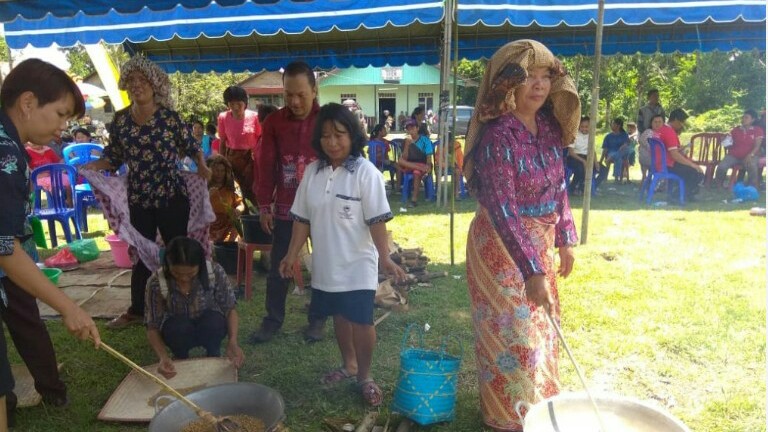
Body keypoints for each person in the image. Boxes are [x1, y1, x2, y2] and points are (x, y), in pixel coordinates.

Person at [462, 40, 579, 432]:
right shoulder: (499, 137)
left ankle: (538, 411)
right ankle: (506, 418)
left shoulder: (548, 127)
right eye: (529, 75)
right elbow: (503, 209)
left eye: (546, 76)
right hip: (499, 248)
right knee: (514, 334)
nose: (540, 84)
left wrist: (565, 237)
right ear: (507, 83)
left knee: (542, 327)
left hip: (539, 245)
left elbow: (559, 185)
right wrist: (532, 271)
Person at [278, 103, 406, 406]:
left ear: (353, 135)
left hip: (358, 263)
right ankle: (348, 364)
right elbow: (302, 219)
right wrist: (291, 254)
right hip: (326, 263)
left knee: (361, 320)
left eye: (339, 135)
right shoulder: (312, 172)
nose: (332, 142)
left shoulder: (367, 173)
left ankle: (365, 375)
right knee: (339, 314)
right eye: (325, 136)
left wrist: (385, 258)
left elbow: (377, 221)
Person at [0, 58, 101, 431]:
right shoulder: (6, 152)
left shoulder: (10, 142)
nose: (63, 127)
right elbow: (4, 247)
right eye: (59, 114)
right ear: (28, 102)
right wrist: (68, 308)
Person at [81, 55, 211, 329]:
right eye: (131, 81)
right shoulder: (120, 121)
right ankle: (138, 309)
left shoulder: (170, 118)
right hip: (139, 197)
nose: (136, 85)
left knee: (177, 251)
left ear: (154, 85)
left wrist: (201, 165)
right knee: (140, 252)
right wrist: (94, 165)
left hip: (172, 196)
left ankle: (182, 305)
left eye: (142, 80)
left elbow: (191, 146)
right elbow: (113, 158)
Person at [252, 61, 326, 343]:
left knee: (322, 265)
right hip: (286, 207)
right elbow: (265, 164)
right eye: (288, 95)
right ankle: (272, 320)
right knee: (280, 265)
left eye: (301, 95)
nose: (294, 101)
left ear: (315, 90)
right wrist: (263, 205)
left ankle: (317, 320)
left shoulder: (328, 119)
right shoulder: (274, 123)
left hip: (323, 207)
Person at [145, 237, 244, 380]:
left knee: (214, 322)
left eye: (191, 274)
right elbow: (152, 325)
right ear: (167, 264)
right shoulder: (156, 282)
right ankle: (179, 356)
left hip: (208, 324)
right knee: (177, 328)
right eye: (177, 273)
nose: (184, 279)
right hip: (178, 329)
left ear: (201, 265)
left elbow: (230, 309)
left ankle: (213, 352)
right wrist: (162, 357)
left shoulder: (215, 272)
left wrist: (233, 341)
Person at [217, 86, 261, 207]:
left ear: (245, 103)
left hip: (251, 160)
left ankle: (255, 220)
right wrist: (222, 163)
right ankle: (237, 221)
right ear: (227, 104)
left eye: (239, 104)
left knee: (252, 192)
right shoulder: (223, 117)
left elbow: (260, 139)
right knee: (234, 191)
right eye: (232, 103)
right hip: (231, 160)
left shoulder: (255, 117)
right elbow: (222, 142)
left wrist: (255, 160)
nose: (235, 107)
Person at [655, 108, 704, 201]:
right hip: (667, 166)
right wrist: (692, 164)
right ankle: (677, 196)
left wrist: (681, 151)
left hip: (659, 163)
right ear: (676, 120)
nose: (682, 125)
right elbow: (674, 155)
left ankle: (687, 195)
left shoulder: (661, 129)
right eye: (682, 122)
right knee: (697, 172)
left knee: (692, 170)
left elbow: (670, 150)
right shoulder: (670, 132)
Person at [714, 109, 764, 188]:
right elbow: (728, 146)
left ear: (753, 120)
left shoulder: (758, 130)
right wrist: (724, 141)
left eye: (746, 117)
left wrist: (750, 155)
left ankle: (752, 187)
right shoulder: (735, 130)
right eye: (743, 117)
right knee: (722, 167)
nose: (743, 119)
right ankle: (719, 184)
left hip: (751, 154)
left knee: (752, 165)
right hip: (734, 155)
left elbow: (757, 146)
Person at [207, 155, 244, 243]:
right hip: (208, 224)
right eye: (216, 171)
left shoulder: (233, 185)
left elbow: (240, 204)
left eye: (222, 171)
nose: (219, 174)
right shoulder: (204, 185)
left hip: (227, 224)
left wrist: (238, 210)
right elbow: (196, 206)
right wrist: (208, 195)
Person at [397, 119, 434, 207]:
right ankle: (419, 168)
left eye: (413, 128)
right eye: (409, 129)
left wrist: (427, 166)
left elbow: (428, 158)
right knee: (400, 161)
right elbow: (404, 158)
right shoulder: (406, 141)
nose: (411, 131)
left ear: (417, 128)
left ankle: (414, 200)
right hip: (410, 165)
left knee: (416, 173)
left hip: (423, 164)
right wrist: (407, 145)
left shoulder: (425, 140)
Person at [566, 116, 603, 195]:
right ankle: (574, 187)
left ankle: (590, 188)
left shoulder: (591, 136)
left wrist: (596, 163)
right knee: (580, 168)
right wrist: (583, 161)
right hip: (574, 157)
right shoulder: (574, 135)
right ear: (579, 126)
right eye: (582, 127)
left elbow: (592, 151)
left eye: (586, 127)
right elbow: (571, 152)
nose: (584, 129)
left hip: (587, 157)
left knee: (603, 170)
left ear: (590, 127)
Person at [599, 117, 631, 182]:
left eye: (613, 124)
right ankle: (616, 179)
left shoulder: (624, 135)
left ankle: (613, 157)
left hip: (622, 153)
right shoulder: (608, 136)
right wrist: (601, 160)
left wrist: (623, 146)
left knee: (626, 149)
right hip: (611, 153)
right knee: (618, 158)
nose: (611, 125)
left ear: (618, 125)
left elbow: (626, 144)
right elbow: (605, 149)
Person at [638, 114, 665, 185]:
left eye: (659, 122)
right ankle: (660, 184)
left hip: (653, 159)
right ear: (651, 123)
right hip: (648, 158)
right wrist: (653, 150)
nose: (657, 124)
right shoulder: (649, 131)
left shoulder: (664, 133)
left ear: (663, 123)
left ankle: (649, 182)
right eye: (655, 122)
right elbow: (642, 141)